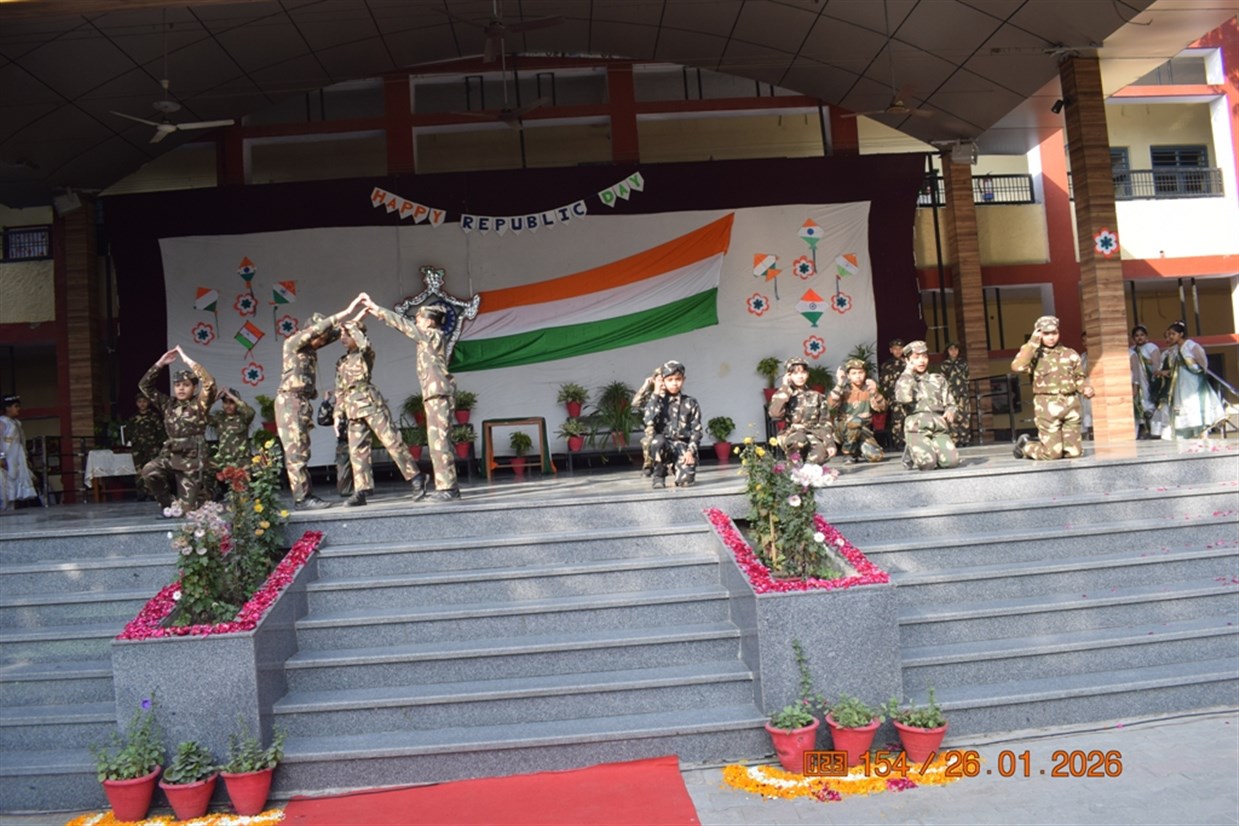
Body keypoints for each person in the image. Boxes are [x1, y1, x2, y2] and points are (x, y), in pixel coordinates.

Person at [363, 295, 460, 501]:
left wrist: (377, 309)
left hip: (438, 393)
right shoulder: (429, 337)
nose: (416, 322)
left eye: (419, 319)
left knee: (439, 442)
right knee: (437, 442)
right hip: (434, 394)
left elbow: (404, 326)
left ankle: (448, 488)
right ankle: (447, 486)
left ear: (430, 322)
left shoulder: (431, 335)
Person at [277, 295, 365, 510]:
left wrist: (361, 314)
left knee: (302, 450)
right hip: (290, 401)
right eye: (320, 337)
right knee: (296, 452)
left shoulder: (310, 348)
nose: (323, 341)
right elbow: (322, 329)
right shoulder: (294, 343)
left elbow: (338, 332)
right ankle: (302, 498)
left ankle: (304, 495)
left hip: (301, 402)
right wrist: (347, 310)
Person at [333, 319, 426, 506]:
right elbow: (340, 390)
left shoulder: (365, 353)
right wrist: (337, 414)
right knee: (357, 451)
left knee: (392, 442)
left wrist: (352, 326)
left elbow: (365, 345)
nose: (343, 338)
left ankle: (416, 478)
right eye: (342, 334)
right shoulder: (342, 362)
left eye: (347, 334)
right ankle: (361, 490)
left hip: (370, 404)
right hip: (352, 409)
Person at [139, 346, 218, 515]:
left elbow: (209, 384)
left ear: (194, 388)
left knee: (187, 512)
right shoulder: (168, 404)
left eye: (186, 385)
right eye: (177, 385)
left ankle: (200, 498)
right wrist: (160, 363)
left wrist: (188, 361)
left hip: (191, 461)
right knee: (149, 471)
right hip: (171, 455)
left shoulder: (199, 404)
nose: (181, 388)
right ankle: (169, 504)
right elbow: (145, 386)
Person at [1011, 315, 1094, 461]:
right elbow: (1017, 367)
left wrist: (1085, 388)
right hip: (1047, 405)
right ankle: (1025, 446)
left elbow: (1079, 378)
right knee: (1051, 454)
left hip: (1070, 405)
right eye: (1046, 333)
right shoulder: (1034, 354)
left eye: (1054, 333)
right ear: (1039, 334)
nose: (1051, 337)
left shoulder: (1070, 354)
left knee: (1074, 453)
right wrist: (1032, 342)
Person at [1153, 321, 1225, 440]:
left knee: (1194, 403)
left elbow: (1203, 363)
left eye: (1173, 334)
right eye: (1169, 334)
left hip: (1193, 381)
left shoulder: (1192, 346)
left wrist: (1195, 371)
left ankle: (1202, 431)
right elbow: (1174, 367)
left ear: (1181, 334)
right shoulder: (1175, 350)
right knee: (1182, 405)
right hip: (1179, 382)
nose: (1170, 337)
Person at [894, 341, 960, 470]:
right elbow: (903, 398)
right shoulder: (905, 380)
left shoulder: (938, 379)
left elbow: (951, 403)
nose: (921, 361)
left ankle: (924, 448)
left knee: (951, 462)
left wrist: (951, 410)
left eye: (924, 356)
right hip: (917, 427)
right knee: (927, 464)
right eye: (916, 357)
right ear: (907, 360)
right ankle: (913, 448)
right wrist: (908, 372)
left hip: (938, 427)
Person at [642, 360, 702, 488]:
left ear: (683, 380)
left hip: (682, 446)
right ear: (663, 381)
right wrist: (656, 392)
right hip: (663, 445)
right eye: (669, 379)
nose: (674, 383)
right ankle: (659, 475)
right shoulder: (657, 400)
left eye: (678, 379)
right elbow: (648, 420)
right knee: (657, 442)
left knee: (686, 482)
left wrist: (690, 451)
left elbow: (697, 430)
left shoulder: (690, 402)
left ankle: (677, 469)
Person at [768, 356, 835, 464]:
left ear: (807, 374)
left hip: (813, 433)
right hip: (791, 434)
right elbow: (775, 414)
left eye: (803, 372)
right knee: (799, 439)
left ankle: (808, 469)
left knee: (819, 455)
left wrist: (829, 443)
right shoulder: (783, 394)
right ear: (788, 376)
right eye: (795, 373)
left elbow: (825, 423)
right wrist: (785, 387)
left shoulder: (817, 396)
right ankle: (794, 466)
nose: (800, 376)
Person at [827, 358, 887, 464]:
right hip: (844, 430)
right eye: (854, 373)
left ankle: (857, 450)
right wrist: (839, 383)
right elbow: (830, 406)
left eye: (860, 372)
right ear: (848, 376)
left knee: (876, 456)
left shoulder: (868, 389)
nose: (858, 376)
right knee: (855, 421)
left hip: (863, 430)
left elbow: (883, 408)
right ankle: (848, 453)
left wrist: (875, 393)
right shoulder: (843, 389)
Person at [1, 395, 39, 510]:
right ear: (7, 408)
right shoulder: (2, 422)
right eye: (16, 406)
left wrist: (26, 457)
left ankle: (11, 509)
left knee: (15, 483)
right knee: (6, 484)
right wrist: (1, 457)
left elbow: (21, 442)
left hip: (17, 456)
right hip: (7, 457)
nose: (18, 409)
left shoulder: (16, 423)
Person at [127, 393, 166, 501]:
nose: (142, 404)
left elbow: (160, 431)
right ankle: (141, 493)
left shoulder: (154, 416)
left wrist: (161, 444)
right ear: (136, 403)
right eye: (139, 402)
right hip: (138, 448)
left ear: (148, 402)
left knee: (152, 469)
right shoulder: (133, 418)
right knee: (139, 470)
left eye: (144, 401)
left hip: (152, 447)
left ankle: (153, 493)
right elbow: (129, 432)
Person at [317, 391, 354, 499]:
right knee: (343, 466)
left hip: (357, 439)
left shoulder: (355, 405)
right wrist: (326, 402)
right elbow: (322, 420)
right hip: (344, 441)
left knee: (360, 465)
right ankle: (345, 490)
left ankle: (363, 489)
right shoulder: (337, 409)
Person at [209, 388, 255, 470]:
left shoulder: (243, 418)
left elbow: (250, 412)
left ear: (236, 404)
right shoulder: (219, 418)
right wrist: (213, 400)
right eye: (225, 402)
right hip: (224, 462)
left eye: (231, 402)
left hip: (242, 463)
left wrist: (234, 398)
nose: (228, 406)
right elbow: (202, 415)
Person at [1129, 325, 1162, 439]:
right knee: (1140, 404)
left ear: (1146, 336)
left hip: (1148, 380)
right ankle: (1143, 430)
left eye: (1142, 335)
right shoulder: (1132, 350)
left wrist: (1155, 380)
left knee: (1150, 404)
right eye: (1136, 336)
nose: (1139, 338)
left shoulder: (1151, 347)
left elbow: (1157, 365)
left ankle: (1154, 431)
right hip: (1137, 380)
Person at [632, 366, 664, 477]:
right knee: (647, 442)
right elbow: (635, 403)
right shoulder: (650, 397)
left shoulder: (672, 395)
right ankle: (648, 466)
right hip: (653, 429)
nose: (662, 383)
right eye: (659, 380)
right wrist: (645, 386)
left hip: (668, 427)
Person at [938, 342, 971, 447]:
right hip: (950, 395)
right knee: (952, 416)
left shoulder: (963, 363)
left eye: (956, 349)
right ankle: (954, 439)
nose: (954, 352)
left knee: (964, 415)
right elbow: (942, 380)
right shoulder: (945, 364)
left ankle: (965, 439)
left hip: (963, 394)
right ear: (947, 351)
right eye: (951, 349)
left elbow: (967, 376)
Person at [878, 338, 907, 450]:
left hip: (909, 396)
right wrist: (890, 396)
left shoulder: (908, 362)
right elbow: (884, 383)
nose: (898, 351)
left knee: (909, 418)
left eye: (900, 348)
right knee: (897, 420)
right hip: (895, 397)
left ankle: (911, 441)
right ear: (891, 350)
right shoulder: (887, 365)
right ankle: (899, 442)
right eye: (895, 349)